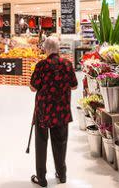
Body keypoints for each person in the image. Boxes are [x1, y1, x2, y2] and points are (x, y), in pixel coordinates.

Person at [29, 36, 78, 187]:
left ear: (46, 49)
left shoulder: (41, 65)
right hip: (61, 110)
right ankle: (62, 174)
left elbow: (33, 87)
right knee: (61, 142)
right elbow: (74, 86)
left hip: (44, 110)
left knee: (41, 143)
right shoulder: (67, 64)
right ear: (58, 48)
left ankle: (41, 179)